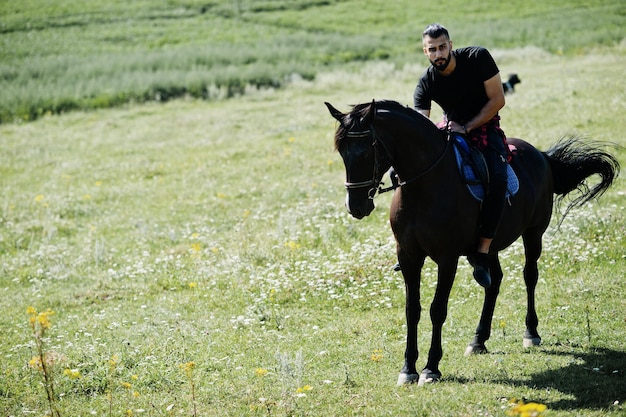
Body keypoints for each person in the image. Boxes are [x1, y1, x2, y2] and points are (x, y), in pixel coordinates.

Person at [413, 23, 509, 288]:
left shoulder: (478, 58)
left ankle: (482, 251)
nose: (438, 53)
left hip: (485, 128)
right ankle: (412, 245)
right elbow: (422, 124)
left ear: (451, 45)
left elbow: (498, 100)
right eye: (432, 50)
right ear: (425, 51)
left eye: (442, 47)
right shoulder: (426, 82)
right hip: (451, 131)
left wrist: (467, 127)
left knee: (498, 179)